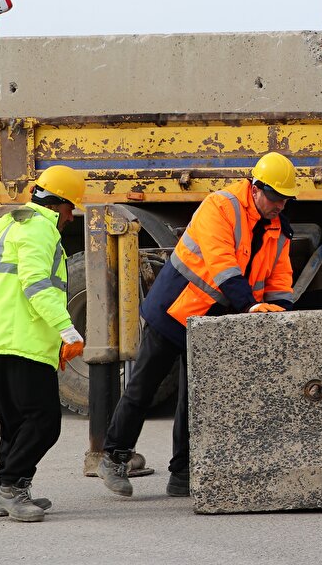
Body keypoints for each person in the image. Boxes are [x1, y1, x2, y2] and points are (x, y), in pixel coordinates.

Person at [96, 152, 298, 499]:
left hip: (210, 320)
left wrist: (279, 314)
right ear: (255, 188)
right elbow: (223, 268)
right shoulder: (220, 207)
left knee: (195, 398)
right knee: (144, 387)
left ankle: (183, 474)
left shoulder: (280, 230)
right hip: (174, 309)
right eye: (276, 197)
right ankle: (114, 457)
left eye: (286, 199)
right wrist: (251, 306)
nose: (281, 205)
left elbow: (280, 281)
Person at [0, 165, 87, 523]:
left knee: (16, 421)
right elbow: (36, 285)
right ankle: (10, 490)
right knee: (45, 421)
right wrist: (67, 328)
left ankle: (2, 491)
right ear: (61, 204)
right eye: (71, 209)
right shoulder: (39, 229)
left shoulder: (10, 224)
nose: (71, 217)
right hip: (20, 338)